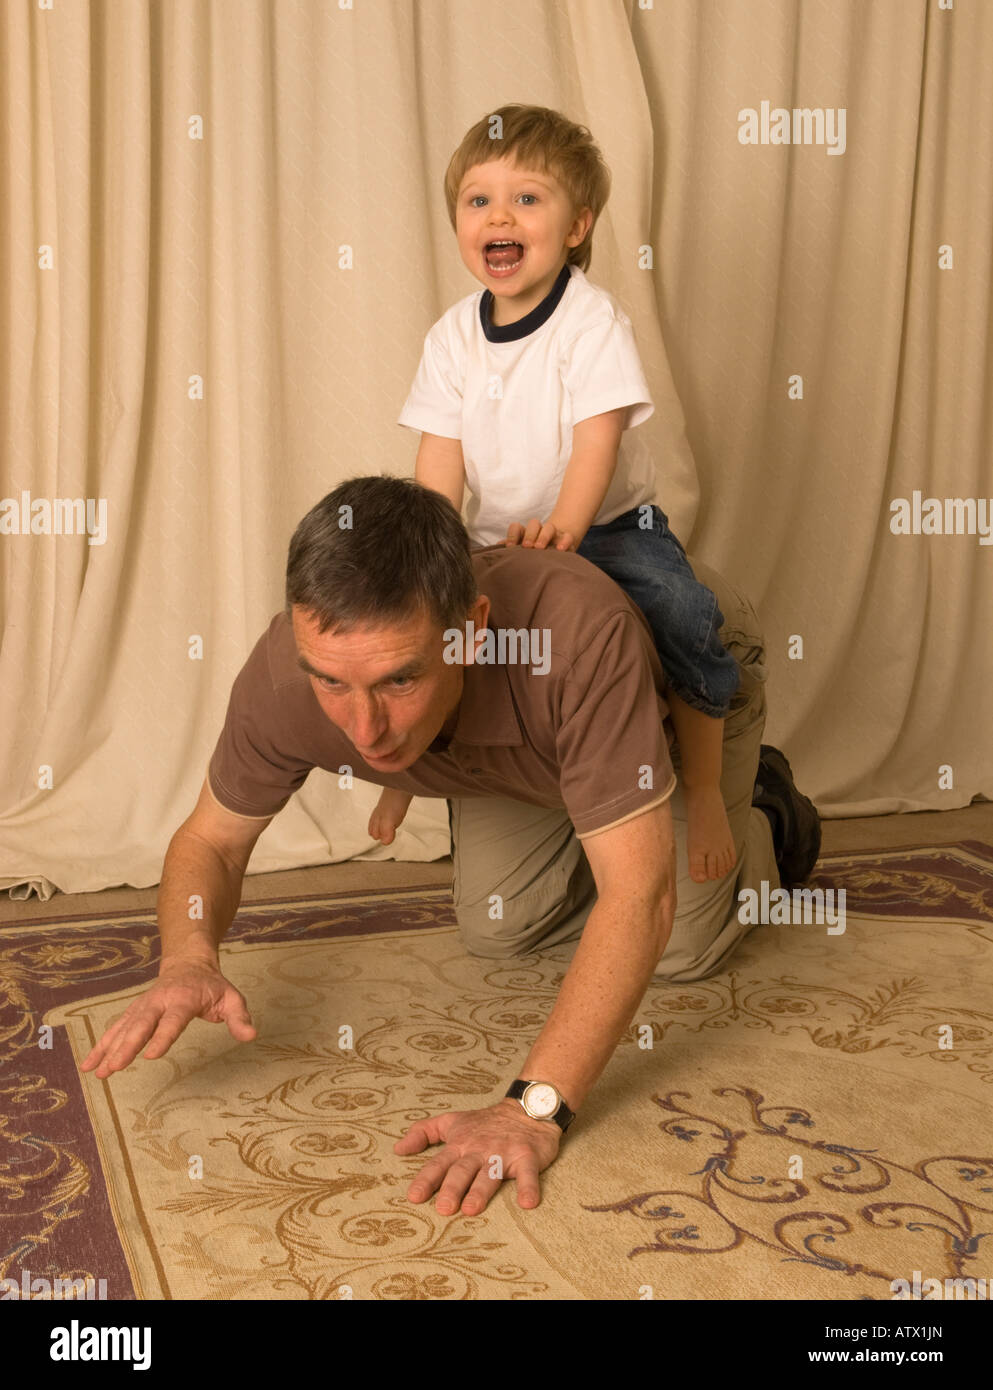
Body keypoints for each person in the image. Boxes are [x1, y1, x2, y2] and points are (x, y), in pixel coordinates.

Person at [80, 476, 819, 1219]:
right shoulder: (285, 672)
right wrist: (186, 956)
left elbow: (640, 898)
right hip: (537, 750)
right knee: (501, 928)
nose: (363, 731)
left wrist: (531, 1110)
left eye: (400, 678)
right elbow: (212, 839)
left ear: (473, 630)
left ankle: (768, 809)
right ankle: (597, 803)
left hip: (685, 674)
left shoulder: (574, 637)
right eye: (331, 682)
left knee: (682, 942)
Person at [374, 103, 740, 884]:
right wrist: (433, 554)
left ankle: (704, 787)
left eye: (526, 199)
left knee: (681, 612)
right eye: (478, 201)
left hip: (605, 524)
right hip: (497, 534)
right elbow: (439, 461)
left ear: (577, 225)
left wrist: (568, 531)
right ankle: (409, 775)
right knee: (427, 626)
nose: (498, 216)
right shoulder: (451, 337)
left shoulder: (589, 320)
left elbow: (593, 443)